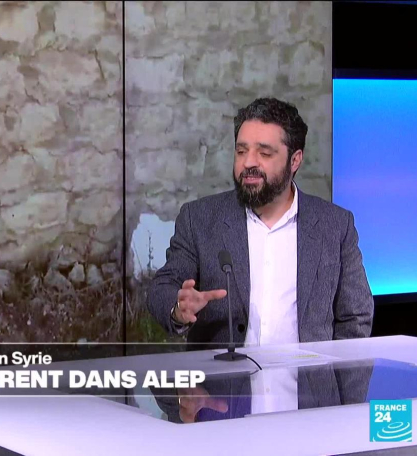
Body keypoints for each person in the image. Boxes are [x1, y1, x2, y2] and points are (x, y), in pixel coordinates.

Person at [148, 97, 374, 347]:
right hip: (222, 372)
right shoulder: (199, 219)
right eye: (241, 151)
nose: (248, 162)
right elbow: (162, 287)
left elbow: (355, 316)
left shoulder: (335, 225)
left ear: (295, 160)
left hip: (308, 372)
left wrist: (336, 368)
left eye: (264, 153)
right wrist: (178, 309)